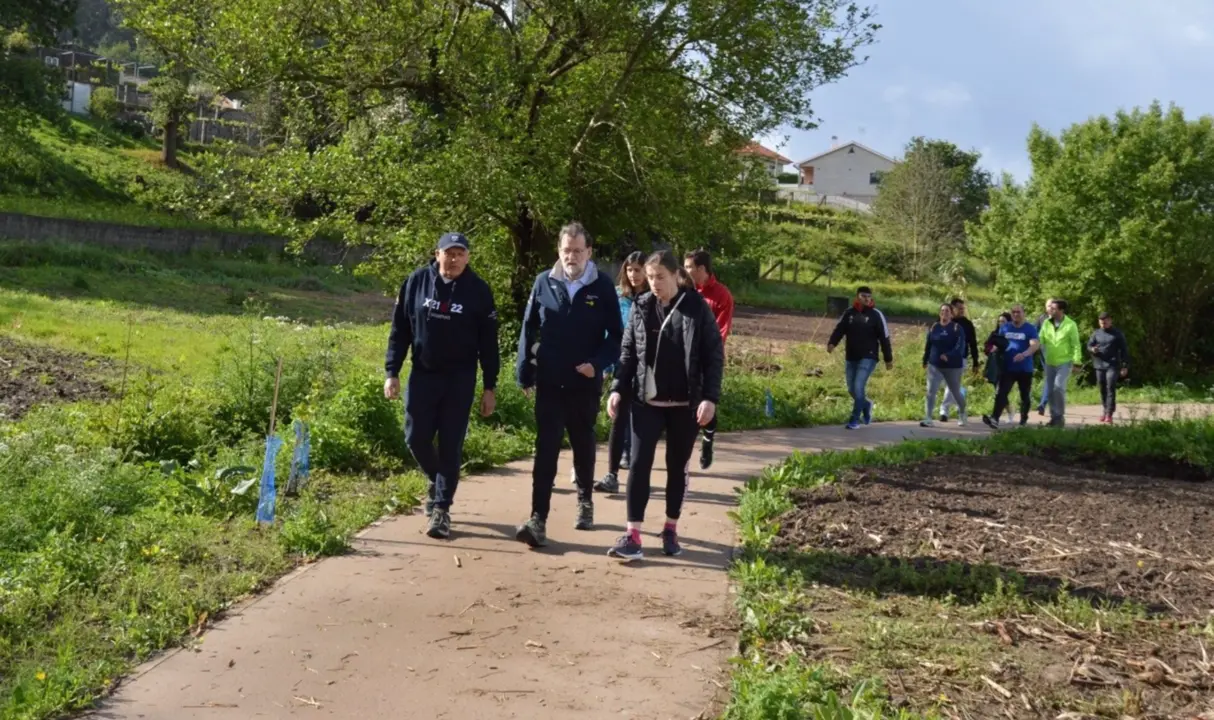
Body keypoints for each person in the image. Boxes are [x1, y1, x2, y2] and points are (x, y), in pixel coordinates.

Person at [605, 250, 724, 561]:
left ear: (675, 276)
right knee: (639, 464)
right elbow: (628, 352)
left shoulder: (696, 307)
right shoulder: (641, 306)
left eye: (660, 277)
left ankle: (670, 528)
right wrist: (617, 388)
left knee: (676, 467)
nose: (654, 283)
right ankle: (632, 535)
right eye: (650, 276)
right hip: (647, 401)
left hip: (685, 404)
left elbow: (713, 355)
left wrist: (710, 398)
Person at [383, 232, 499, 540]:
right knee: (415, 436)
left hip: (459, 379)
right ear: (437, 254)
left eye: (460, 253)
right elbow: (400, 330)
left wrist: (490, 386)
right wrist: (391, 371)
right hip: (423, 374)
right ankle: (438, 479)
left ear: (468, 257)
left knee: (450, 443)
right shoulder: (416, 282)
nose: (454, 258)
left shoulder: (478, 291)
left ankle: (441, 509)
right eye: (449, 253)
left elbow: (489, 344)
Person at [514, 221, 623, 548]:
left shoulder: (602, 286)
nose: (571, 256)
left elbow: (617, 336)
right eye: (566, 250)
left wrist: (598, 364)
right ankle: (538, 518)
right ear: (559, 252)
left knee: (583, 442)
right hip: (550, 380)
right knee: (546, 448)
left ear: (589, 252)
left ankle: (585, 500)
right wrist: (525, 370)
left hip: (583, 381)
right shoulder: (543, 283)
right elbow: (528, 328)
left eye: (578, 251)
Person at [593, 251, 649, 494]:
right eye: (630, 269)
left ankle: (638, 475)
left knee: (642, 424)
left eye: (638, 269)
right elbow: (609, 332)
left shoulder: (654, 298)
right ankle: (612, 474)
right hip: (622, 365)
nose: (634, 275)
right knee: (618, 417)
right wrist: (604, 364)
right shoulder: (618, 297)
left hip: (648, 368)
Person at [683, 249, 734, 470]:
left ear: (701, 269)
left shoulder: (722, 295)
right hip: (684, 359)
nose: (684, 271)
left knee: (707, 404)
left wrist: (709, 356)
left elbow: (722, 330)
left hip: (707, 359)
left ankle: (707, 440)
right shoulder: (683, 290)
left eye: (688, 267)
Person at [827, 286, 894, 430]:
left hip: (869, 356)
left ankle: (855, 420)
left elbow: (885, 337)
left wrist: (888, 358)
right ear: (857, 297)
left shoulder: (876, 315)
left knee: (858, 386)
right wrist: (832, 342)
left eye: (868, 296)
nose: (866, 298)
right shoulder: (849, 313)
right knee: (851, 389)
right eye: (863, 296)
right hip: (851, 356)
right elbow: (839, 329)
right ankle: (866, 404)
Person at [982, 304, 1039, 430]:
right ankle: (995, 418)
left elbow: (1034, 345)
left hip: (1025, 369)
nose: (1015, 314)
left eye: (1018, 312)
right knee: (1001, 393)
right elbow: (999, 343)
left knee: (1024, 395)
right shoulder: (1005, 328)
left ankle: (1024, 418)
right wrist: (991, 349)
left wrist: (1024, 354)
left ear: (1023, 313)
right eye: (1013, 312)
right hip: (1008, 368)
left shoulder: (1030, 329)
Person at [1037, 299, 1083, 427]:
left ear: (1061, 310)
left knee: (1058, 387)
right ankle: (1054, 417)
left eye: (1053, 309)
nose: (1050, 310)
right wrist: (1031, 347)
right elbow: (1040, 339)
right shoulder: (1046, 323)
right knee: (1051, 390)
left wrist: (1077, 362)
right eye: (1049, 308)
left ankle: (1059, 416)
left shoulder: (1070, 325)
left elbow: (1076, 345)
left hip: (1064, 362)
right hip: (1050, 361)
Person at [920, 303, 967, 427]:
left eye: (947, 311)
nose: (944, 313)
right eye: (942, 311)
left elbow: (960, 346)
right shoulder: (934, 327)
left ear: (951, 314)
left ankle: (962, 413)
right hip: (935, 365)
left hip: (953, 366)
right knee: (930, 391)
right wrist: (925, 360)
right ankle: (928, 418)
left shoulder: (957, 328)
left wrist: (949, 355)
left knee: (955, 392)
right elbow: (928, 344)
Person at [939, 297, 979, 423]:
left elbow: (973, 344)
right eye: (959, 309)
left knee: (951, 384)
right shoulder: (942, 322)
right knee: (948, 385)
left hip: (960, 359)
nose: (962, 311)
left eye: (963, 309)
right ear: (952, 309)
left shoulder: (967, 324)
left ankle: (944, 410)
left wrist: (976, 362)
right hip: (943, 358)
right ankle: (960, 399)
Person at [1088, 311, 1131, 424]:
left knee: (1110, 386)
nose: (1103, 324)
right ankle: (1105, 409)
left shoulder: (1117, 334)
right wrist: (1093, 349)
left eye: (1105, 322)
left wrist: (1125, 366)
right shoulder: (1096, 333)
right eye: (1101, 323)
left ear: (1110, 321)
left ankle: (1109, 413)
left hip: (1113, 364)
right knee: (1102, 387)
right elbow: (1089, 345)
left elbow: (1124, 350)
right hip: (1099, 364)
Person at [982, 312, 1016, 424]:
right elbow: (987, 345)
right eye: (999, 321)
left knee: (999, 390)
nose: (1001, 323)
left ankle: (997, 415)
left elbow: (1013, 347)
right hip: (994, 364)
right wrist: (991, 348)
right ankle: (1009, 410)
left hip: (1006, 365)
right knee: (998, 389)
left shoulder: (1012, 334)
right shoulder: (995, 333)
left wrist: (1001, 347)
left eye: (1004, 321)